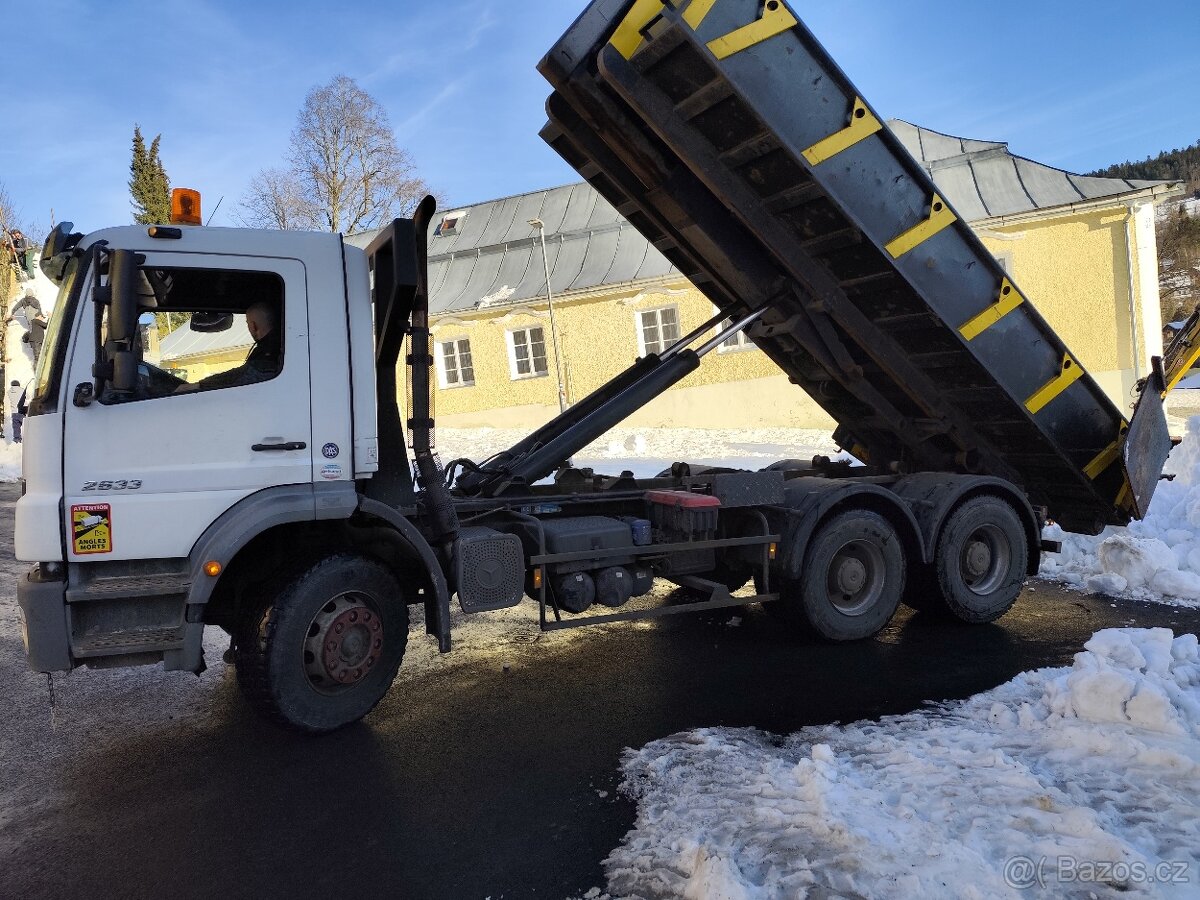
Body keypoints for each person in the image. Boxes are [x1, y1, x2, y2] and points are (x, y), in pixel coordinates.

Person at [176, 300, 282, 393]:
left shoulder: (271, 350)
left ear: (253, 325)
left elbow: (245, 374)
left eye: (247, 323)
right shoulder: (277, 344)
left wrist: (200, 385)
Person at [8, 379, 25, 443]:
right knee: (26, 425)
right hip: (21, 411)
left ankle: (17, 439)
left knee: (16, 427)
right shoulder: (22, 390)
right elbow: (28, 398)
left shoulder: (9, 391)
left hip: (14, 412)